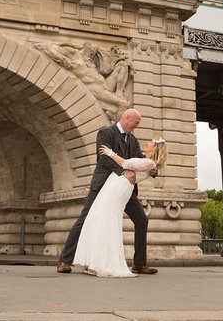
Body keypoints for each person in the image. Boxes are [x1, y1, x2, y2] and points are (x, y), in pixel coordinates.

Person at [57, 108, 159, 275]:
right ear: (126, 118)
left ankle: (139, 264)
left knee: (141, 220)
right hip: (103, 185)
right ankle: (64, 261)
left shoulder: (133, 139)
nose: (137, 126)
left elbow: (139, 160)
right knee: (84, 220)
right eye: (136, 123)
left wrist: (153, 171)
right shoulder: (105, 133)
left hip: (124, 189)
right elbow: (103, 158)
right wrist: (123, 171)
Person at [73, 138, 167, 277]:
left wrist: (109, 153)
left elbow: (125, 163)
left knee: (106, 220)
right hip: (116, 185)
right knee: (100, 217)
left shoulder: (149, 163)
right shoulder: (149, 163)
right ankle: (94, 261)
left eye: (150, 143)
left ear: (154, 149)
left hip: (119, 187)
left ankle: (98, 263)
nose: (147, 144)